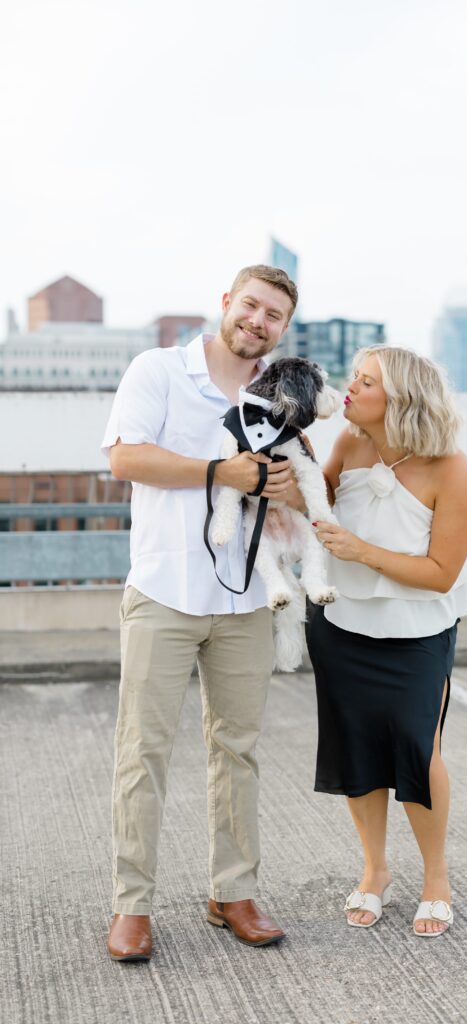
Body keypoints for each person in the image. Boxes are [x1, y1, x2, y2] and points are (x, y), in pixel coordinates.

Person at [101, 265, 300, 961]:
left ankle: (232, 892)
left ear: (282, 327)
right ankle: (132, 905)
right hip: (163, 590)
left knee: (237, 751)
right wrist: (221, 472)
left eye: (273, 314)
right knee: (143, 752)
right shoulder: (157, 369)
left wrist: (281, 485)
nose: (258, 320)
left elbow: (295, 490)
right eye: (250, 305)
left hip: (245, 599)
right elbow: (125, 458)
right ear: (226, 304)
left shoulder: (280, 391)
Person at [307, 346, 467, 937]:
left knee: (417, 747)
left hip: (419, 629)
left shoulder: (451, 467)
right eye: (353, 377)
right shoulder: (349, 444)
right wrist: (288, 468)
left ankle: (437, 879)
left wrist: (363, 553)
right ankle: (375, 871)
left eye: (366, 381)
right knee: (355, 744)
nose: (349, 388)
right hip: (339, 624)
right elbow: (311, 505)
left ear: (401, 397)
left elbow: (441, 573)